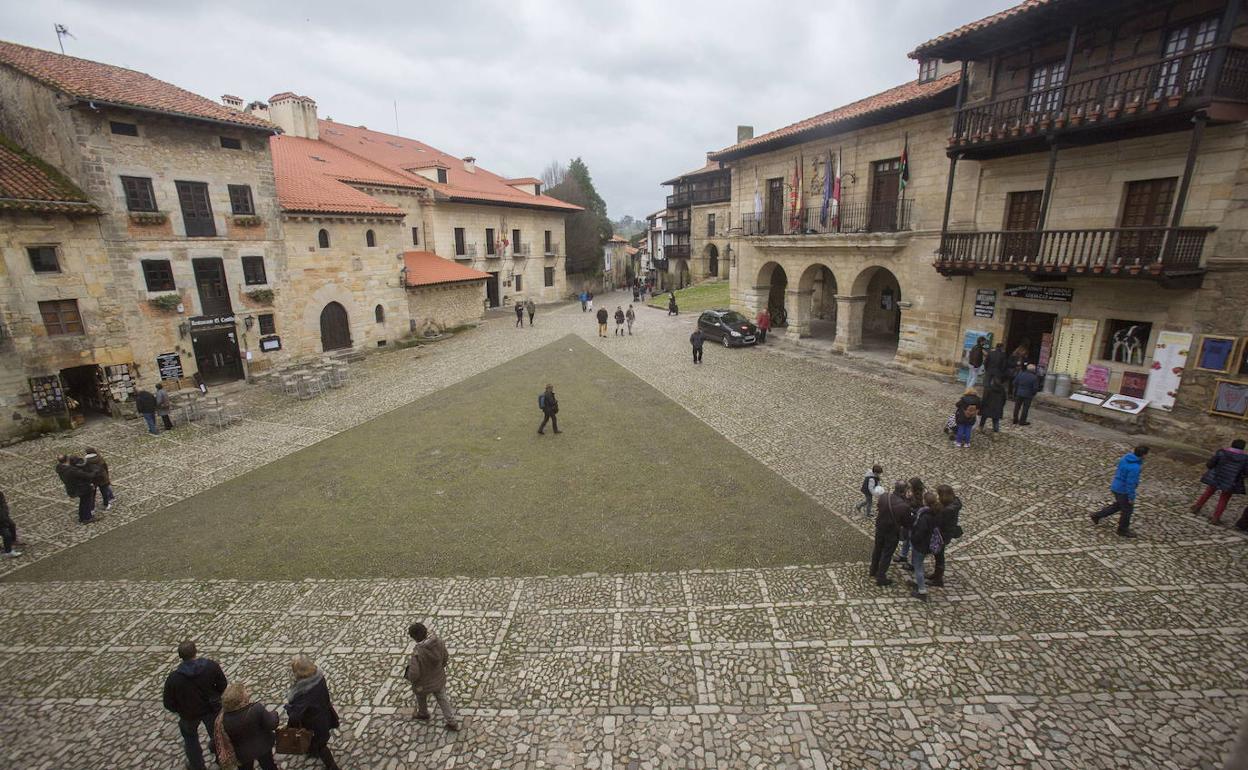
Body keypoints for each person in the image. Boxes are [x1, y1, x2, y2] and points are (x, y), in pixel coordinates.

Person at [163, 640, 228, 770]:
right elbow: (223, 685)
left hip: (188, 714)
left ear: (181, 656)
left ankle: (197, 766)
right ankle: (222, 759)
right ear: (195, 651)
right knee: (217, 736)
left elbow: (168, 703)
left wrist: (180, 710)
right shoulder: (210, 667)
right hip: (211, 709)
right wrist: (216, 697)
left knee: (190, 739)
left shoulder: (174, 678)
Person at [285, 656, 342, 770]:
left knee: (321, 745)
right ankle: (312, 750)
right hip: (325, 714)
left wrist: (289, 710)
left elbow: (296, 715)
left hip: (314, 723)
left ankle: (332, 766)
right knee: (318, 741)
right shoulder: (319, 677)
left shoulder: (304, 692)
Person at [405, 622, 459, 731]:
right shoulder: (438, 642)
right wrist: (440, 667)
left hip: (423, 683)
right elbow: (445, 656)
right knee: (442, 699)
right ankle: (452, 722)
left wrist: (409, 676)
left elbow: (414, 674)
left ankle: (423, 713)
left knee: (420, 696)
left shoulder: (417, 653)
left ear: (415, 637)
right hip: (438, 677)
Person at [1091, 445, 1149, 538]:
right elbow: (1130, 483)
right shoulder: (1135, 468)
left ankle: (1097, 515)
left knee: (1118, 506)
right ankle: (1122, 529)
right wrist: (1131, 497)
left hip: (1116, 486)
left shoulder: (1126, 458)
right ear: (1143, 455)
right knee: (1127, 511)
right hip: (1123, 490)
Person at [219, 682, 279, 770]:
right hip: (263, 746)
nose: (248, 693)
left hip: (241, 753)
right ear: (241, 699)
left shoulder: (222, 719)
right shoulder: (256, 709)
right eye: (245, 692)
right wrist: (275, 714)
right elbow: (272, 724)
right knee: (269, 766)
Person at [1191, 438, 1248, 525]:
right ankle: (1216, 518)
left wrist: (1212, 469)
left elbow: (1210, 464)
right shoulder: (1245, 459)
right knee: (1224, 499)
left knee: (1208, 492)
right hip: (1231, 481)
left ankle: (1197, 507)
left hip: (1216, 476)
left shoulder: (1221, 452)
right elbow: (1246, 472)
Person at [870, 482, 911, 586]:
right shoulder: (904, 506)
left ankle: (873, 570)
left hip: (880, 528)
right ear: (903, 491)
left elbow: (879, 507)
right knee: (887, 554)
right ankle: (881, 577)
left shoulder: (884, 497)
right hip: (892, 533)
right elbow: (907, 523)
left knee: (877, 549)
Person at [907, 491, 942, 601]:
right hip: (925, 545)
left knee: (918, 567)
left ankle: (922, 591)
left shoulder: (925, 517)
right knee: (918, 564)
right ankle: (918, 582)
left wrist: (913, 538)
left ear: (925, 501)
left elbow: (920, 532)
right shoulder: (936, 513)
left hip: (921, 545)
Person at [928, 484, 963, 587]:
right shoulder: (954, 503)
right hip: (946, 533)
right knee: (939, 555)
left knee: (939, 556)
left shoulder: (947, 510)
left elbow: (938, 521)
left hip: (943, 535)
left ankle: (938, 579)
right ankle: (936, 575)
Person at [898, 477, 925, 567]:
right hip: (908, 522)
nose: (908, 488)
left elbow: (919, 509)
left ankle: (913, 564)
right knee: (906, 540)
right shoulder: (910, 493)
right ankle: (903, 555)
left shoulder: (921, 497)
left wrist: (908, 501)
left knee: (913, 545)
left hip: (914, 523)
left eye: (910, 486)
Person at [63, 455, 98, 524]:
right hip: (83, 488)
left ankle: (82, 517)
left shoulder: (67, 469)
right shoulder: (75, 471)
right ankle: (87, 518)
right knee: (86, 503)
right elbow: (88, 476)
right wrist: (94, 471)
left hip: (78, 489)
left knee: (83, 503)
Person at [84, 447, 114, 511]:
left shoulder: (86, 461)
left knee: (92, 494)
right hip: (102, 478)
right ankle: (106, 504)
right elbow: (105, 467)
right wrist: (107, 476)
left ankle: (92, 508)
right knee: (104, 492)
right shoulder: (100, 458)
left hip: (93, 479)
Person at [0, 489, 20, 558]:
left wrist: (5, 515)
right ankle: (8, 551)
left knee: (12, 525)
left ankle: (12, 541)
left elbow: (3, 505)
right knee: (6, 534)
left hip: (3, 517)